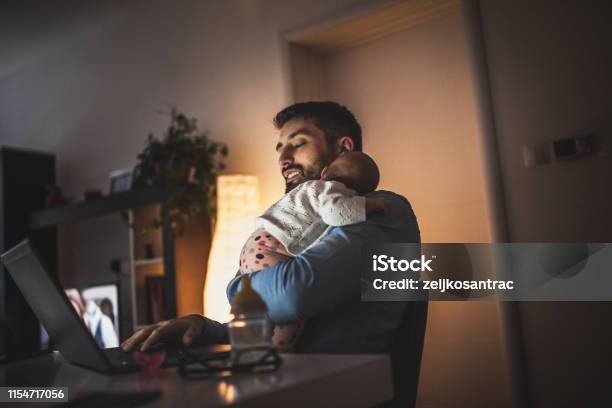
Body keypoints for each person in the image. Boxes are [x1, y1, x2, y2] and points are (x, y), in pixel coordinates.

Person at [121, 101, 420, 354]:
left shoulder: (384, 210)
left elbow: (294, 294)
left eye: (298, 144)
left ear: (343, 148)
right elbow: (268, 324)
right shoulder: (305, 226)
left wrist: (237, 288)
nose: (282, 158)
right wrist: (202, 328)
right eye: (279, 148)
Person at [239, 151, 388, 351]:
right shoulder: (331, 189)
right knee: (291, 318)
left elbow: (237, 291)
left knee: (262, 317)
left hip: (255, 245)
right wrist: (370, 205)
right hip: (272, 247)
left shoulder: (307, 190)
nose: (284, 158)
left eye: (298, 143)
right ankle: (281, 354)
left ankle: (255, 351)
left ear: (325, 171)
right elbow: (337, 213)